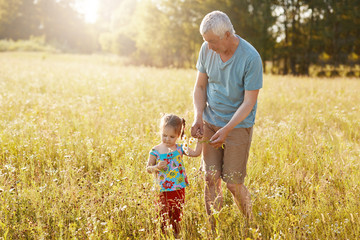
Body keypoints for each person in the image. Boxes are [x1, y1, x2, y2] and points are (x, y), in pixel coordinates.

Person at [191, 10, 263, 229]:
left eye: (212, 41)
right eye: (206, 41)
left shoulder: (251, 58)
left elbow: (249, 102)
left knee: (232, 183)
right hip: (210, 122)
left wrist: (228, 128)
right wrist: (198, 117)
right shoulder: (206, 49)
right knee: (210, 176)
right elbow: (200, 86)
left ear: (227, 35)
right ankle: (214, 227)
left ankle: (250, 225)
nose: (209, 46)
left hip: (238, 125)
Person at [147, 113, 202, 237]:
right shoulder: (155, 151)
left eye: (171, 136)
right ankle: (162, 235)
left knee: (177, 213)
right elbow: (148, 168)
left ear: (179, 135)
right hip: (161, 189)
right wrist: (156, 167)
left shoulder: (180, 149)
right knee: (162, 213)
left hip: (178, 187)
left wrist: (200, 139)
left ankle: (176, 235)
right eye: (164, 135)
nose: (167, 139)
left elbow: (196, 153)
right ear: (160, 132)